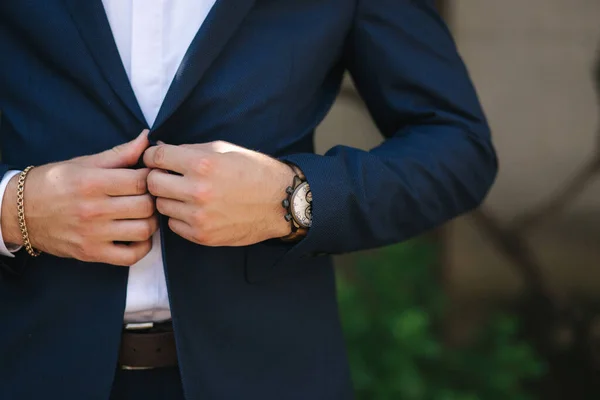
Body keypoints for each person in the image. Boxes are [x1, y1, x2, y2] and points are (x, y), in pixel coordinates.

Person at [0, 1, 498, 399]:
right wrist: (14, 208)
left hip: (268, 372)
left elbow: (457, 147)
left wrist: (296, 198)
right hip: (26, 364)